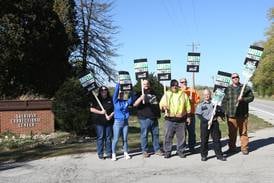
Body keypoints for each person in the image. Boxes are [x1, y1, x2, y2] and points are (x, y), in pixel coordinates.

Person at [222, 73, 254, 155]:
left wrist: (243, 99)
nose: (235, 78)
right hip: (231, 115)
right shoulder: (227, 89)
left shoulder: (245, 88)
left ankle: (244, 148)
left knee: (243, 132)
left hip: (243, 115)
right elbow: (224, 101)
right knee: (232, 133)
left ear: (239, 78)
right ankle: (232, 148)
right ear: (231, 79)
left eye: (237, 77)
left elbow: (251, 97)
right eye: (233, 77)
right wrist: (224, 112)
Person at [159, 79, 191, 158]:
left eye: (176, 85)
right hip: (170, 119)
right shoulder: (166, 94)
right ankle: (167, 151)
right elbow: (161, 105)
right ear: (170, 86)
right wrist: (163, 107)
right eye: (173, 85)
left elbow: (188, 106)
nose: (174, 87)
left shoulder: (183, 94)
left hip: (181, 120)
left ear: (178, 86)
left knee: (182, 137)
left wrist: (189, 117)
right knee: (168, 136)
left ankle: (181, 151)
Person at [133, 79, 163, 158]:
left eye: (147, 83)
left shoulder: (153, 93)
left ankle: (157, 149)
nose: (146, 85)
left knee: (155, 134)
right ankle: (145, 151)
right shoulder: (139, 93)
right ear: (142, 85)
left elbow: (157, 104)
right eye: (144, 84)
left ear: (149, 84)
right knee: (144, 135)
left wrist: (159, 113)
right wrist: (140, 98)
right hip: (144, 118)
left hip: (154, 117)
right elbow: (134, 104)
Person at [195, 89, 226, 161]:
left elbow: (221, 113)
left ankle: (219, 155)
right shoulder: (200, 105)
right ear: (203, 95)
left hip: (214, 123)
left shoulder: (215, 103)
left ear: (210, 95)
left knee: (216, 140)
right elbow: (199, 115)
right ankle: (204, 155)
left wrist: (218, 111)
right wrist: (206, 121)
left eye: (208, 94)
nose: (207, 96)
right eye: (205, 94)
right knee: (204, 140)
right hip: (205, 124)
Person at [90, 86, 114, 160]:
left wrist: (110, 116)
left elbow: (115, 109)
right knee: (100, 137)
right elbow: (91, 109)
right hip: (99, 122)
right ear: (100, 91)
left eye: (105, 90)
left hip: (108, 122)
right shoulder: (96, 99)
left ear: (107, 91)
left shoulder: (111, 99)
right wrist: (100, 112)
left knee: (108, 138)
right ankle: (100, 154)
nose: (104, 91)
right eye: (102, 90)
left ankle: (109, 153)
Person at [111, 83, 134, 161]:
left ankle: (126, 152)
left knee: (125, 139)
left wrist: (130, 88)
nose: (121, 95)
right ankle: (113, 154)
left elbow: (133, 97)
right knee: (116, 139)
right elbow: (115, 92)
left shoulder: (126, 102)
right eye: (120, 94)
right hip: (117, 123)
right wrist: (118, 84)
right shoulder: (115, 101)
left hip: (125, 123)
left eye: (122, 93)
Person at [179, 78, 200, 153]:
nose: (184, 83)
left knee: (191, 132)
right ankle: (183, 148)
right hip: (181, 115)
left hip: (190, 114)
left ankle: (192, 147)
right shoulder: (178, 91)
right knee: (182, 133)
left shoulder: (192, 90)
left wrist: (192, 100)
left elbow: (197, 100)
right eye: (182, 82)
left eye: (185, 82)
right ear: (180, 83)